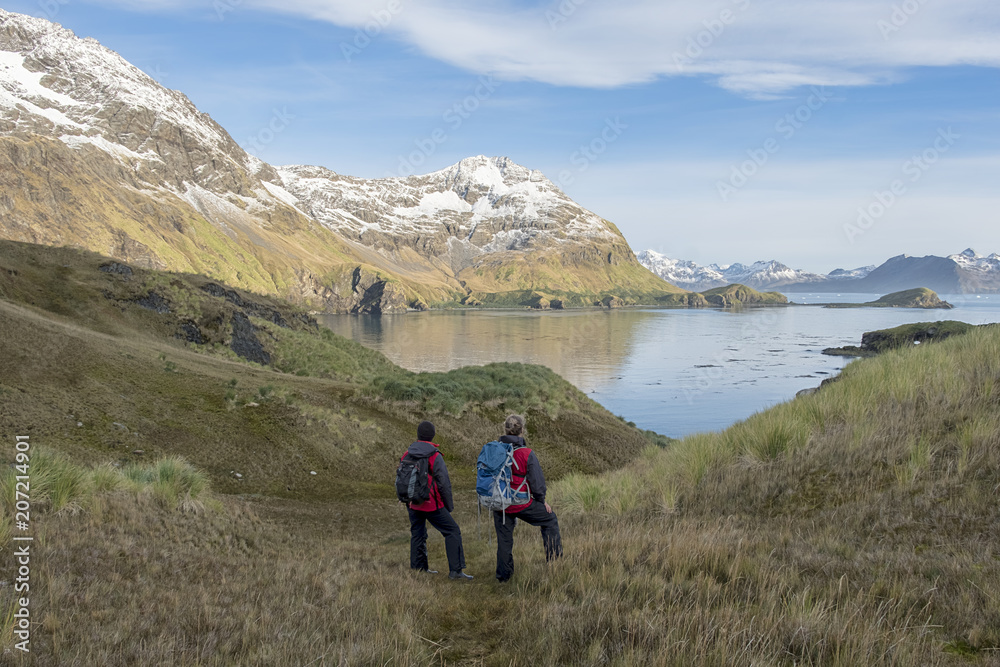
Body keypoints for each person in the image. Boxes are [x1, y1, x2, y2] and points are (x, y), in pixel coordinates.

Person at [492, 414, 562, 582]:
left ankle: (504, 578)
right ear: (522, 430)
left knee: (504, 539)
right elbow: (537, 483)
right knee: (550, 519)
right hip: (520, 502)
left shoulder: (495, 450)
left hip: (500, 502)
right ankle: (555, 565)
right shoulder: (526, 453)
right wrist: (541, 500)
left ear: (505, 429)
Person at [402, 420, 473, 580]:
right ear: (432, 435)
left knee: (417, 533)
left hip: (412, 503)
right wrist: (448, 505)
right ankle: (456, 571)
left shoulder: (407, 453)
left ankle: (418, 569)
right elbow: (444, 483)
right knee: (452, 531)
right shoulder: (434, 455)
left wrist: (405, 499)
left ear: (418, 435)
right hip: (431, 503)